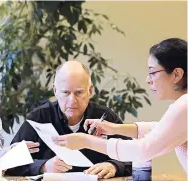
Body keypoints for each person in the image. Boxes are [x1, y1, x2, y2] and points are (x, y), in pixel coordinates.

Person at [53, 38, 187, 173]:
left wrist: (87, 141)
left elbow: (142, 150)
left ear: (176, 74)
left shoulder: (184, 106)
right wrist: (113, 128)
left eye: (152, 73)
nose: (148, 80)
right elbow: (161, 128)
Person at [6, 60, 132, 178]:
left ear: (90, 91)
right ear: (55, 91)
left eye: (79, 92)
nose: (72, 100)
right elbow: (9, 162)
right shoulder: (39, 117)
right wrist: (43, 166)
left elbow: (135, 157)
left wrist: (113, 166)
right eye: (66, 92)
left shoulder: (105, 118)